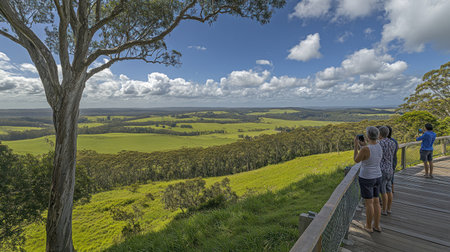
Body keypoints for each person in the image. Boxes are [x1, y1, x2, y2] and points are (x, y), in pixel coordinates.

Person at [354, 126, 382, 233]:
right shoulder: (379, 146)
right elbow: (372, 153)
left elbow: (356, 160)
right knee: (376, 202)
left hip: (367, 177)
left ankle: (369, 226)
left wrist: (356, 146)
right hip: (378, 176)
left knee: (369, 203)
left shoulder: (365, 149)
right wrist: (364, 145)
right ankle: (377, 225)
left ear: (368, 136)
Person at [378, 126, 396, 215]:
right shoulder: (393, 143)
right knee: (389, 190)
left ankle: (383, 210)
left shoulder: (380, 143)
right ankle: (389, 209)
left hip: (382, 169)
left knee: (383, 191)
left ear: (380, 134)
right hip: (390, 169)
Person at [387, 126, 398, 193]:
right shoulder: (394, 141)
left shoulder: (383, 142)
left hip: (388, 162)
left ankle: (388, 191)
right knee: (392, 175)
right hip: (394, 160)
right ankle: (392, 190)